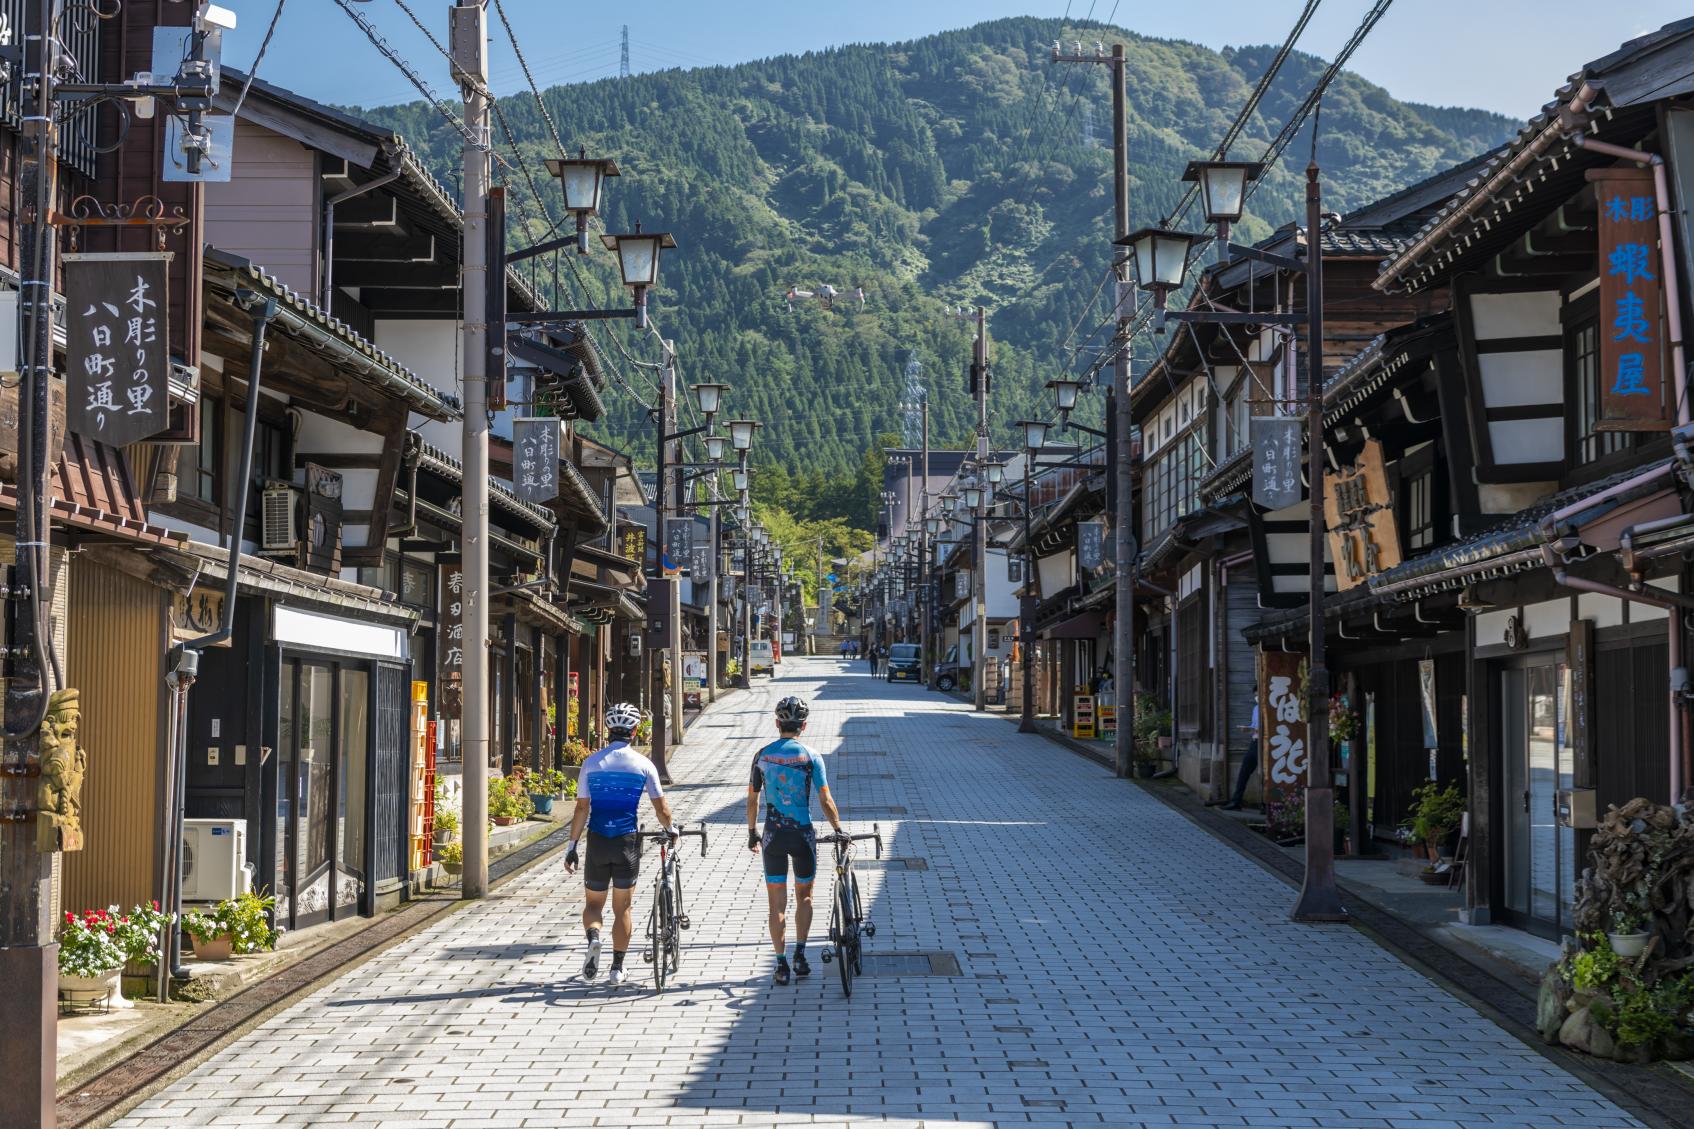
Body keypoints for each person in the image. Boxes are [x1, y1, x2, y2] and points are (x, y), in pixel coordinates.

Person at [564, 702, 676, 986]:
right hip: (627, 842)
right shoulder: (644, 765)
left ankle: (594, 937)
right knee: (622, 908)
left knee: (593, 905)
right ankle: (617, 968)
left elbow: (581, 808)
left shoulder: (591, 763)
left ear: (607, 730)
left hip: (598, 840)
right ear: (635, 731)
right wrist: (670, 829)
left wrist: (572, 846)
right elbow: (661, 808)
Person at [747, 695, 843, 986]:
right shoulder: (811, 756)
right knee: (805, 897)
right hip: (802, 835)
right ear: (804, 726)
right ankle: (800, 955)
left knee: (776, 904)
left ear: (777, 724)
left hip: (773, 835)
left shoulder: (762, 755)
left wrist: (752, 832)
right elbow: (825, 799)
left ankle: (781, 965)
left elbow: (753, 799)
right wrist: (838, 828)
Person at [1222, 701, 1260, 810]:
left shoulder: (1271, 706)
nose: (1257, 697)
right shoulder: (1256, 708)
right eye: (1255, 694)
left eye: (1258, 694)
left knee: (1265, 773)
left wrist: (1256, 729)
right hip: (1255, 742)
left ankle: (1266, 804)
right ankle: (1236, 801)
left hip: (1266, 743)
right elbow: (1254, 726)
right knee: (1244, 771)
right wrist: (1247, 728)